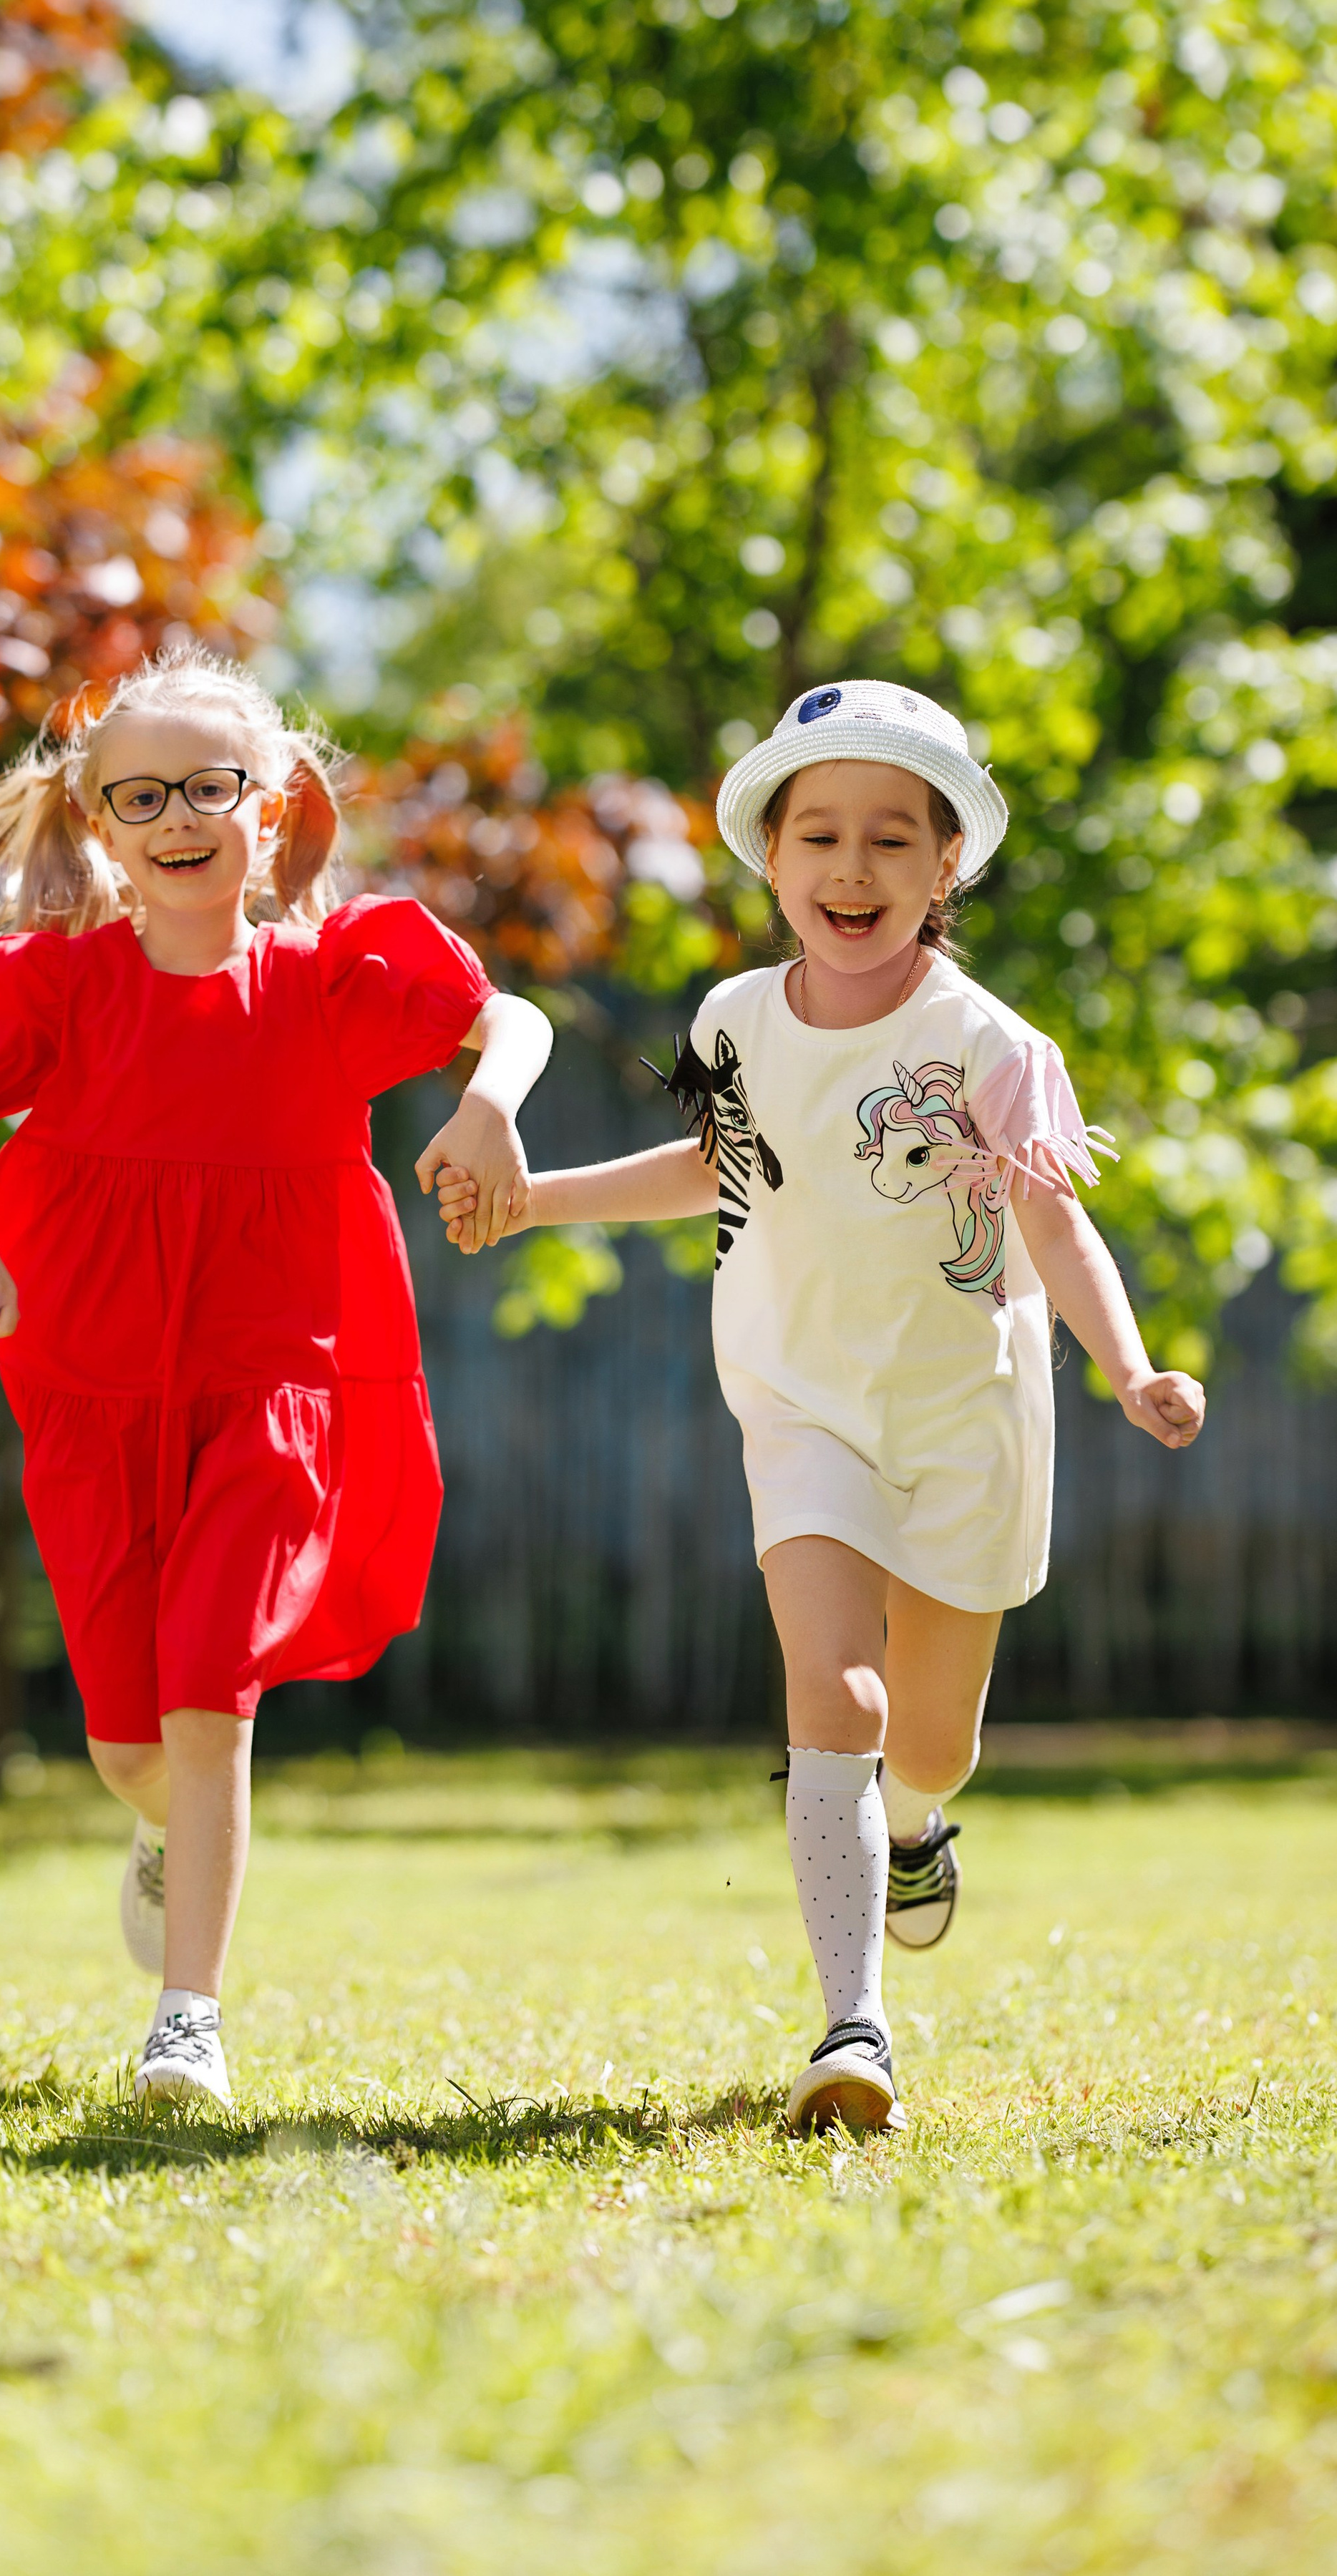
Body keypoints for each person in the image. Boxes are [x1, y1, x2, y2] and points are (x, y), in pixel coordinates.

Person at [435, 679, 1204, 2135]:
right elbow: (713, 1171)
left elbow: (1054, 1228)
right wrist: (536, 1201)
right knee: (831, 1695)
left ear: (943, 866)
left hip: (965, 1420)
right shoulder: (732, 1015)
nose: (851, 869)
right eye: (820, 837)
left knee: (925, 1742)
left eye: (889, 841)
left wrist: (1124, 1364)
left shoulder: (990, 1044)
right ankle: (852, 2026)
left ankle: (914, 1830)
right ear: (770, 859)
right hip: (797, 1405)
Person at [0, 646, 550, 2114]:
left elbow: (510, 1020)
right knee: (125, 1740)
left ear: (266, 805)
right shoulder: (49, 987)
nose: (174, 817)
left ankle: (187, 2020)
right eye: (139, 793)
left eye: (205, 788)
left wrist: (484, 1111)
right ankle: (159, 1835)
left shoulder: (335, 979)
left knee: (214, 1690)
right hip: (88, 1372)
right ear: (99, 823)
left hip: (278, 1377)